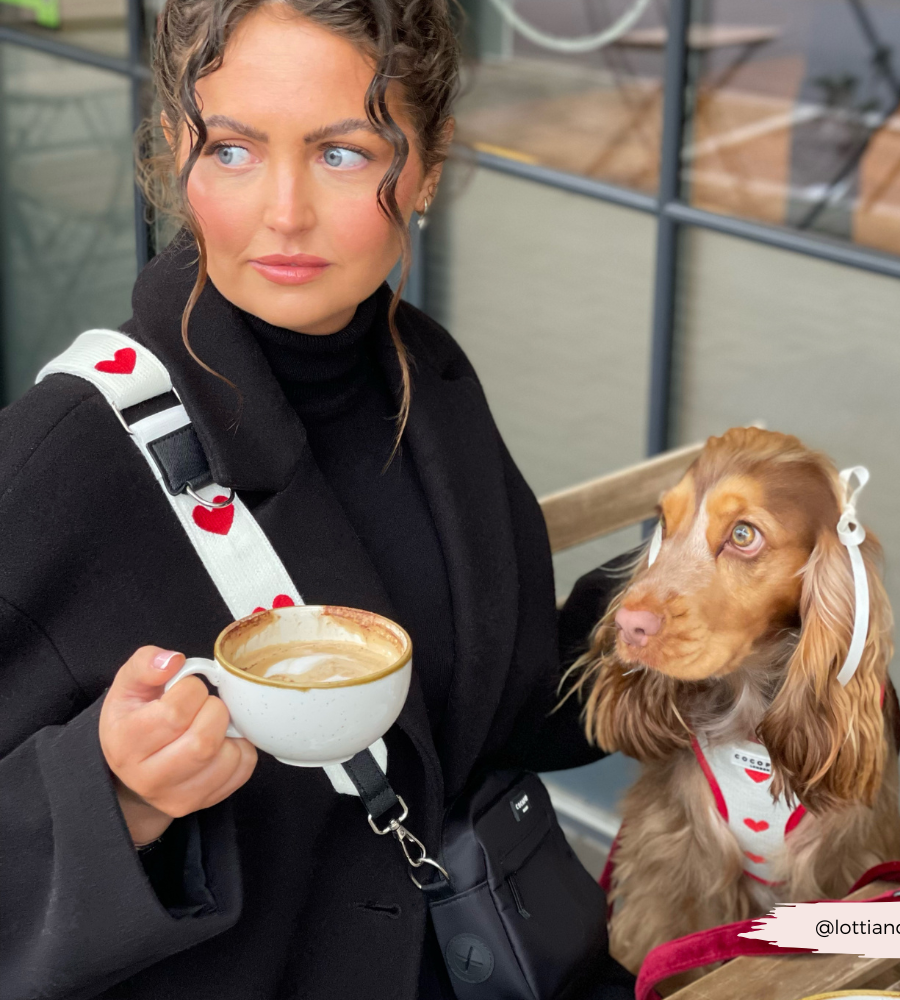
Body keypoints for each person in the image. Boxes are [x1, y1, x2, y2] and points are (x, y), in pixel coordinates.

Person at [0, 1, 635, 997]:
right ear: (176, 148)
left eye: (342, 153)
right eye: (234, 150)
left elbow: (495, 716)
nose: (284, 212)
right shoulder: (64, 456)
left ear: (428, 164)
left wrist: (671, 615)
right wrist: (110, 796)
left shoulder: (429, 383)